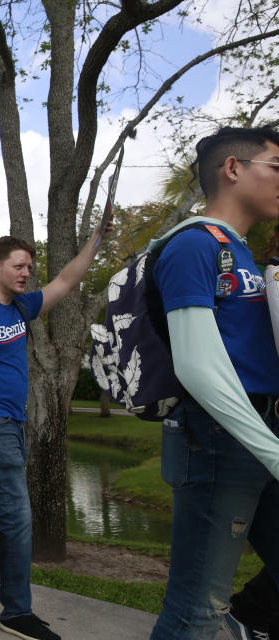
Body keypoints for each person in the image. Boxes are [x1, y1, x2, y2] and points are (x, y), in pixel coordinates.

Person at [0, 227, 110, 640]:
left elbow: (67, 280)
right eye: (18, 266)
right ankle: (16, 611)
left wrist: (95, 241)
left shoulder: (21, 309)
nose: (26, 273)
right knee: (19, 516)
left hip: (13, 425)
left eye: (30, 268)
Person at [149, 126, 279, 639]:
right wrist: (272, 451)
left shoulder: (243, 252)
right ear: (233, 169)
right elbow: (199, 366)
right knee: (195, 609)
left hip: (257, 434)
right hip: (218, 440)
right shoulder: (193, 246)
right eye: (276, 167)